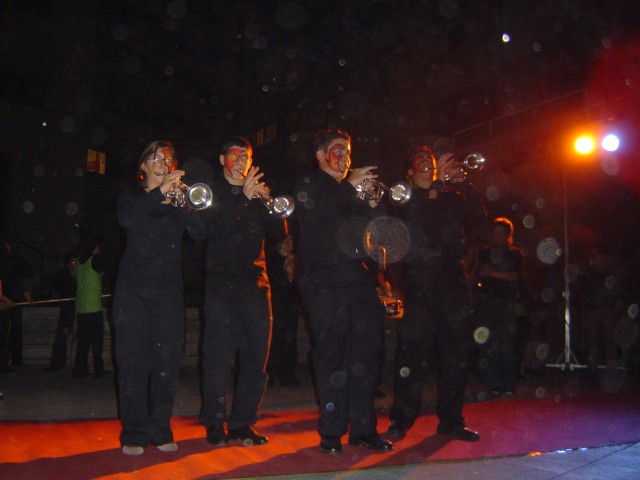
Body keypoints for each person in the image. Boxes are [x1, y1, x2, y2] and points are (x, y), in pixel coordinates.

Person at [293, 129, 393, 455]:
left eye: (348, 152)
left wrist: (374, 204)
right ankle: (332, 431)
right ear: (321, 155)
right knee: (331, 358)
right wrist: (350, 187)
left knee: (364, 358)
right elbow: (316, 218)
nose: (345, 157)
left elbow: (375, 233)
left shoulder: (352, 191)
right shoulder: (309, 185)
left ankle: (364, 430)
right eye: (338, 151)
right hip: (323, 283)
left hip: (358, 281)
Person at [387, 144, 487, 442]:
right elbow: (417, 218)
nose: (429, 165)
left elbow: (480, 223)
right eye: (421, 161)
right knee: (413, 356)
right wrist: (438, 185)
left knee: (456, 355)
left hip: (452, 280)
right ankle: (401, 420)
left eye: (431, 161)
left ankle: (452, 421)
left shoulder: (451, 196)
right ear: (409, 171)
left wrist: (464, 185)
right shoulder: (403, 195)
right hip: (420, 280)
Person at [112, 140, 206, 455]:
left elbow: (198, 233)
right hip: (133, 293)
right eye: (155, 157)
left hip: (168, 293)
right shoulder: (132, 196)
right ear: (143, 165)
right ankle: (134, 433)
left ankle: (160, 428)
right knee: (132, 364)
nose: (162, 162)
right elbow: (128, 219)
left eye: (167, 159)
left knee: (167, 364)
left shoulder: (178, 201)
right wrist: (159, 193)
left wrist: (186, 203)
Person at [200, 136, 287, 447]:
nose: (239, 162)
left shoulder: (256, 191)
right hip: (221, 287)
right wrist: (245, 200)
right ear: (222, 159)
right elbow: (212, 232)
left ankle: (243, 423)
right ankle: (215, 423)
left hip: (256, 286)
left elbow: (279, 233)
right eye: (234, 155)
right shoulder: (212, 192)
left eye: (245, 157)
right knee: (217, 359)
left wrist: (267, 201)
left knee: (255, 359)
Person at [473, 217, 523, 395]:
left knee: (505, 343)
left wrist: (492, 273)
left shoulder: (514, 254)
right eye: (495, 233)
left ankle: (508, 384)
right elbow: (478, 272)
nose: (497, 237)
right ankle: (492, 383)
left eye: (501, 234)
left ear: (508, 235)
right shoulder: (485, 252)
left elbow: (513, 276)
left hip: (505, 303)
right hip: (487, 301)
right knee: (488, 343)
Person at [266, 233, 302, 387]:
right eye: (286, 241)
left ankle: (287, 375)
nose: (289, 244)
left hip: (289, 304)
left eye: (291, 241)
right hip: (274, 303)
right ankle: (270, 374)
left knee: (289, 340)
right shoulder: (273, 259)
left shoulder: (296, 260)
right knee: (272, 340)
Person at [71, 236, 110, 379]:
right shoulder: (95, 260)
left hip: (81, 306)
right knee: (97, 341)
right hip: (93, 306)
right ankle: (98, 370)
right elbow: (105, 268)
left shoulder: (79, 263)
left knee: (83, 341)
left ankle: (80, 369)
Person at [46, 252, 77, 371]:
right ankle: (57, 363)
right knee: (62, 334)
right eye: (73, 262)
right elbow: (66, 298)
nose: (75, 264)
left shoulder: (78, 276)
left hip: (77, 307)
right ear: (68, 265)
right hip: (68, 308)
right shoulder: (66, 278)